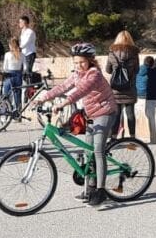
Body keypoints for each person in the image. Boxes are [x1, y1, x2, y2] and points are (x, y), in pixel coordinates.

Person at [40, 42, 117, 207]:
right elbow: (63, 87)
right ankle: (90, 188)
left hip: (105, 112)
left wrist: (63, 104)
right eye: (76, 62)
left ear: (90, 61)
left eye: (82, 62)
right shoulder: (76, 74)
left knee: (98, 150)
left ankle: (101, 191)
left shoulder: (94, 74)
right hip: (90, 114)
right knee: (88, 151)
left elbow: (81, 91)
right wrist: (43, 97)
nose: (79, 65)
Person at [106, 30, 140, 137]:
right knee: (130, 114)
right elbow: (137, 70)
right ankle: (132, 137)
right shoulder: (134, 53)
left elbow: (108, 70)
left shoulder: (112, 52)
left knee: (116, 114)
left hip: (116, 89)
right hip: (129, 88)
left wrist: (116, 69)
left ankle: (114, 137)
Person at [1, 37, 24, 114]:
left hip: (9, 75)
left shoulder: (7, 54)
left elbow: (5, 68)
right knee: (17, 94)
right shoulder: (22, 55)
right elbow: (25, 67)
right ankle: (18, 112)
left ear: (10, 45)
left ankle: (5, 111)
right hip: (18, 75)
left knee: (6, 94)